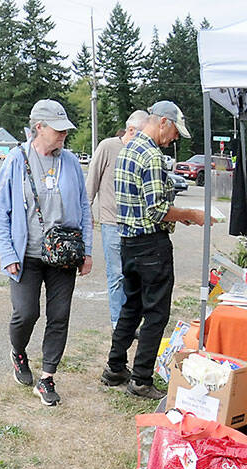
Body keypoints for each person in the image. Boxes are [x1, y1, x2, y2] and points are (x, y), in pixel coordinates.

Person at [101, 100, 207, 400]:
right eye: (174, 131)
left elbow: (143, 205)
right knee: (156, 313)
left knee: (130, 307)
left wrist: (178, 215)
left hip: (128, 242)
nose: (174, 138)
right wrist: (190, 214)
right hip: (151, 246)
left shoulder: (127, 150)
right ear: (162, 122)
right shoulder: (152, 155)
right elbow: (158, 210)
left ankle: (114, 367)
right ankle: (142, 378)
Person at [0, 99, 93, 407]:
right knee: (26, 313)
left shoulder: (71, 161)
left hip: (64, 254)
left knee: (59, 316)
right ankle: (19, 352)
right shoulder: (15, 159)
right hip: (28, 255)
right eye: (57, 130)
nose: (63, 135)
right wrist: (8, 254)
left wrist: (86, 250)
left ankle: (47, 377)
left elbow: (84, 207)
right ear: (39, 128)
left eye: (65, 130)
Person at [86, 110, 149, 327]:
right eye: (142, 133)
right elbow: (91, 182)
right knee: (117, 275)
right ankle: (118, 325)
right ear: (131, 130)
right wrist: (86, 216)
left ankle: (132, 322)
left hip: (137, 225)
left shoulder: (143, 152)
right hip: (112, 223)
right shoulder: (108, 147)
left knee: (136, 275)